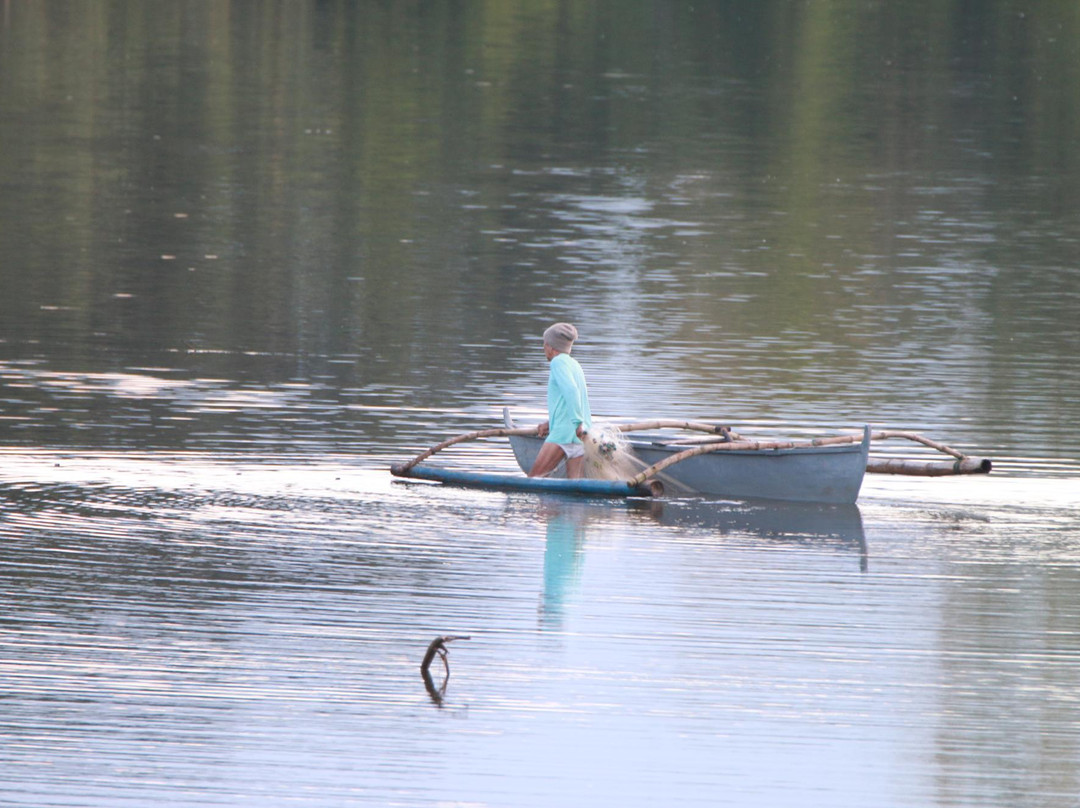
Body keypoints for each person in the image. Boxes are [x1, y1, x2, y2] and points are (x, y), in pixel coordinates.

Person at [529, 322, 592, 479]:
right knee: (573, 487)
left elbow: (571, 391)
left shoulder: (557, 362)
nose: (544, 348)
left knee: (535, 479)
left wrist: (576, 423)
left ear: (551, 347)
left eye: (545, 344)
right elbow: (567, 403)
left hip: (564, 434)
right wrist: (550, 424)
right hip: (580, 437)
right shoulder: (574, 364)